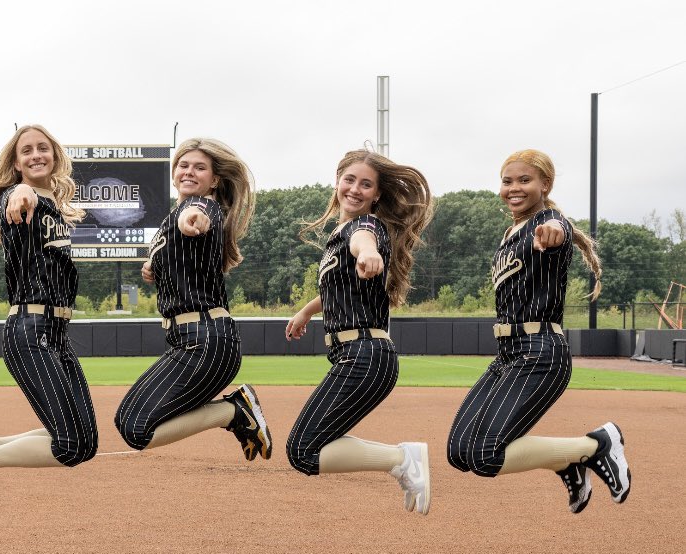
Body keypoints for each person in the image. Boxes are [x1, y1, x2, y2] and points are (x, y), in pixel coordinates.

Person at [447, 149, 630, 513]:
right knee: (459, 452)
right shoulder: (510, 233)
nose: (514, 188)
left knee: (485, 456)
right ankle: (567, 462)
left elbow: (558, 229)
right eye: (507, 181)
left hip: (540, 352)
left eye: (524, 180)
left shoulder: (548, 221)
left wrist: (555, 232)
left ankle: (596, 446)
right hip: (508, 355)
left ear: (545, 185)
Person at [0, 124, 97, 511]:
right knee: (69, 445)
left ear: (55, 155)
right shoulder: (18, 198)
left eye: (42, 148)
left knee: (85, 444)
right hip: (30, 331)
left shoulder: (54, 207)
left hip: (56, 334)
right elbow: (15, 197)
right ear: (16, 164)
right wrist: (21, 191)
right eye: (26, 150)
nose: (35, 155)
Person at [284, 150, 435, 513]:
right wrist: (306, 311)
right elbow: (337, 289)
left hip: (364, 356)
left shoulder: (364, 227)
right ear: (337, 181)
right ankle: (402, 459)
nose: (355, 189)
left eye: (366, 184)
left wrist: (369, 253)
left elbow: (363, 240)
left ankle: (402, 459)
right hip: (358, 356)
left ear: (377, 194)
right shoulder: (338, 233)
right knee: (306, 448)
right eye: (349, 180)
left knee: (304, 451)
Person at [113, 138, 270, 460]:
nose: (189, 172)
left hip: (206, 340)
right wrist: (155, 266)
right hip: (190, 340)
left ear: (214, 181)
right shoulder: (172, 217)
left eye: (200, 168)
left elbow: (196, 215)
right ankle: (235, 410)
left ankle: (233, 412)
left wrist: (191, 219)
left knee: (137, 430)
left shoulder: (202, 207)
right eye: (183, 165)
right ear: (174, 173)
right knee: (125, 420)